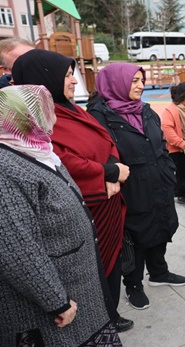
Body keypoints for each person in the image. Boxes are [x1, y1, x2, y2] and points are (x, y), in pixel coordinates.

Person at [11, 49, 134, 332]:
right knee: (89, 271)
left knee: (110, 263)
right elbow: (60, 158)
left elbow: (104, 137)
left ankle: (109, 314)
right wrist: (108, 172)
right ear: (44, 78)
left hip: (108, 198)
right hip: (87, 205)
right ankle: (96, 321)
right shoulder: (33, 119)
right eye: (67, 75)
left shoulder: (71, 107)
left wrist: (113, 164)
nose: (74, 81)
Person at [0, 85, 123, 347]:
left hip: (78, 288)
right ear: (22, 118)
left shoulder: (36, 149)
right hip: (55, 311)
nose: (52, 117)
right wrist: (56, 300)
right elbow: (15, 249)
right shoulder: (5, 167)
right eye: (42, 111)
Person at [87, 63, 185, 311]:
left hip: (158, 181)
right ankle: (134, 285)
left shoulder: (145, 110)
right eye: (134, 81)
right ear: (116, 83)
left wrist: (168, 170)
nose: (141, 86)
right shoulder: (100, 117)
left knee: (161, 227)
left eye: (142, 80)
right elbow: (100, 155)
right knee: (134, 239)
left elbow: (161, 143)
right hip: (130, 186)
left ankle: (159, 272)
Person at [162, 82, 185, 205]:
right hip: (177, 149)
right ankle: (182, 194)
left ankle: (178, 189)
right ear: (184, 97)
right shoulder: (171, 111)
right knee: (183, 171)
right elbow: (167, 131)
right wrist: (183, 144)